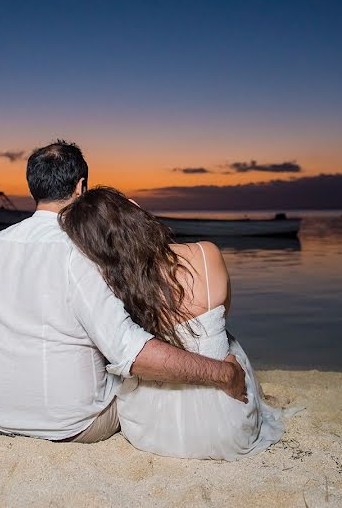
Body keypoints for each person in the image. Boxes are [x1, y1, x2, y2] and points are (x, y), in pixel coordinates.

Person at [0, 140, 247, 444]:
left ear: (33, 188)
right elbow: (131, 352)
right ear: (81, 187)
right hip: (69, 424)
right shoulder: (81, 251)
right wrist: (223, 374)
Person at [59, 186, 285, 460]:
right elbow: (224, 312)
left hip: (153, 429)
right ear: (133, 208)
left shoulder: (113, 285)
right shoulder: (205, 253)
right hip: (228, 428)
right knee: (227, 339)